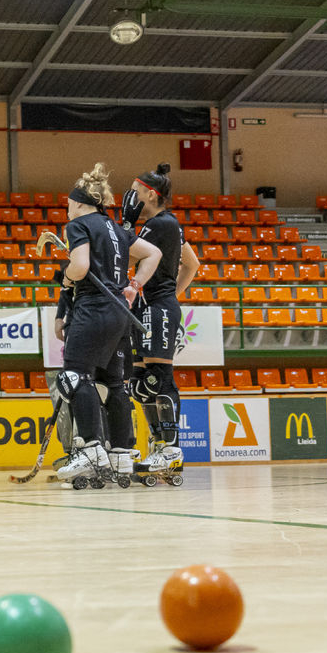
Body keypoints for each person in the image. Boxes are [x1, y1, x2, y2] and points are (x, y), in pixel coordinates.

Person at [54, 163, 162, 487]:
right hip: (119, 313)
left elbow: (81, 266)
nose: (67, 208)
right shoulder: (116, 228)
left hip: (92, 308)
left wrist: (67, 275)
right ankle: (121, 455)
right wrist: (134, 285)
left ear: (78, 202)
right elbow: (153, 254)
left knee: (74, 375)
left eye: (68, 204)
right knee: (115, 384)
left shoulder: (79, 225)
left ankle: (89, 449)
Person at [119, 163, 200, 478]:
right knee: (141, 384)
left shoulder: (160, 224)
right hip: (149, 306)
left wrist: (125, 224)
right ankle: (160, 445)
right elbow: (191, 264)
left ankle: (171, 449)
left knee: (158, 379)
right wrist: (173, 295)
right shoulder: (165, 225)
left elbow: (124, 255)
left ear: (151, 194)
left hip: (156, 307)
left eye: (136, 191)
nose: (131, 197)